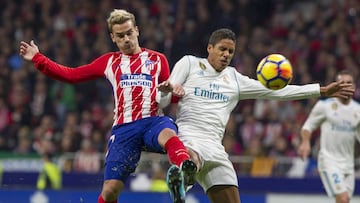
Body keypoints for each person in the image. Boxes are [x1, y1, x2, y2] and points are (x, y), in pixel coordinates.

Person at [158, 28, 355, 203]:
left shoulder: (234, 78)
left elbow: (278, 92)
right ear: (210, 48)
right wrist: (166, 91)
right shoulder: (190, 64)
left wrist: (321, 91)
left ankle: (184, 179)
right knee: (192, 159)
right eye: (222, 49)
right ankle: (184, 175)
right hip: (189, 138)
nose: (226, 55)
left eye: (230, 51)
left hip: (216, 149)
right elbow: (163, 100)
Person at [19, 9, 196, 203]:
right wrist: (38, 58)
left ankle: (185, 171)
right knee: (110, 191)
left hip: (152, 121)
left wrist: (175, 92)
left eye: (129, 33)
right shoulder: (109, 62)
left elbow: (166, 97)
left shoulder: (158, 59)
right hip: (124, 130)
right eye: (120, 36)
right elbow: (72, 75)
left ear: (137, 30)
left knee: (169, 133)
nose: (126, 39)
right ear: (113, 37)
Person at [297, 70, 360, 203]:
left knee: (344, 200)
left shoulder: (357, 110)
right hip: (329, 161)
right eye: (342, 83)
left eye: (349, 83)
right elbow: (308, 126)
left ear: (354, 86)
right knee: (343, 198)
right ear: (337, 85)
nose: (346, 86)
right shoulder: (325, 106)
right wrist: (305, 142)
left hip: (348, 164)